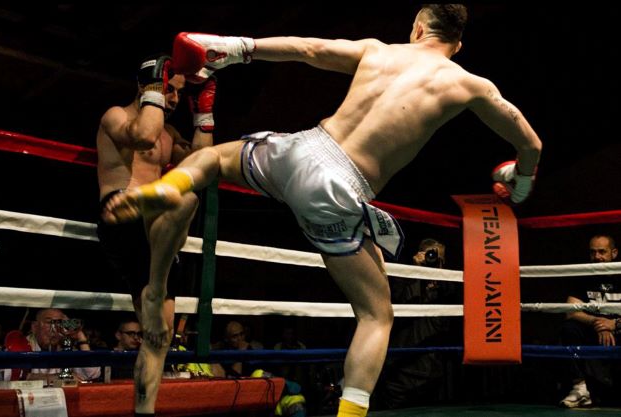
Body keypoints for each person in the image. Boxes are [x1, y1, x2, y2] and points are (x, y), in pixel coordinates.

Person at [101, 5, 542, 416]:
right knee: (376, 315)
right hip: (338, 187)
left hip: (301, 147)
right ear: (457, 45)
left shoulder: (378, 51)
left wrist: (236, 48)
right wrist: (519, 180)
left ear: (419, 28)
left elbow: (307, 48)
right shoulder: (471, 85)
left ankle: (171, 185)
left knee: (213, 159)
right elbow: (531, 144)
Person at [96, 53, 217, 416]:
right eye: (168, 89)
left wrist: (204, 115)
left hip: (157, 228)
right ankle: (149, 205)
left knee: (159, 337)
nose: (175, 98)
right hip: (122, 212)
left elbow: (201, 164)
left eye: (179, 92)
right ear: (146, 84)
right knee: (180, 200)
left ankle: (144, 411)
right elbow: (143, 135)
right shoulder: (116, 115)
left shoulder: (170, 134)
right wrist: (153, 87)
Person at [375, 238, 461, 409]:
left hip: (434, 372)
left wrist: (438, 275)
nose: (432, 260)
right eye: (430, 256)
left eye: (438, 258)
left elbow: (454, 297)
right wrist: (416, 273)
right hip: (400, 372)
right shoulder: (403, 279)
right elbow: (396, 303)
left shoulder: (447, 285)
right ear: (418, 255)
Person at [559, 234, 620, 408]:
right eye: (593, 252)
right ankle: (580, 388)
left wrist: (615, 324)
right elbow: (571, 312)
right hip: (594, 331)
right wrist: (597, 321)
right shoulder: (584, 275)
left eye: (602, 252)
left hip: (618, 330)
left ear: (614, 253)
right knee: (569, 328)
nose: (597, 256)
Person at [26, 308, 100, 384]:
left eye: (59, 323)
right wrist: (54, 377)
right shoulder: (25, 345)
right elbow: (20, 376)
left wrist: (80, 335)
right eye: (49, 322)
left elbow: (92, 374)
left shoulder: (64, 347)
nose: (55, 328)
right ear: (35, 327)